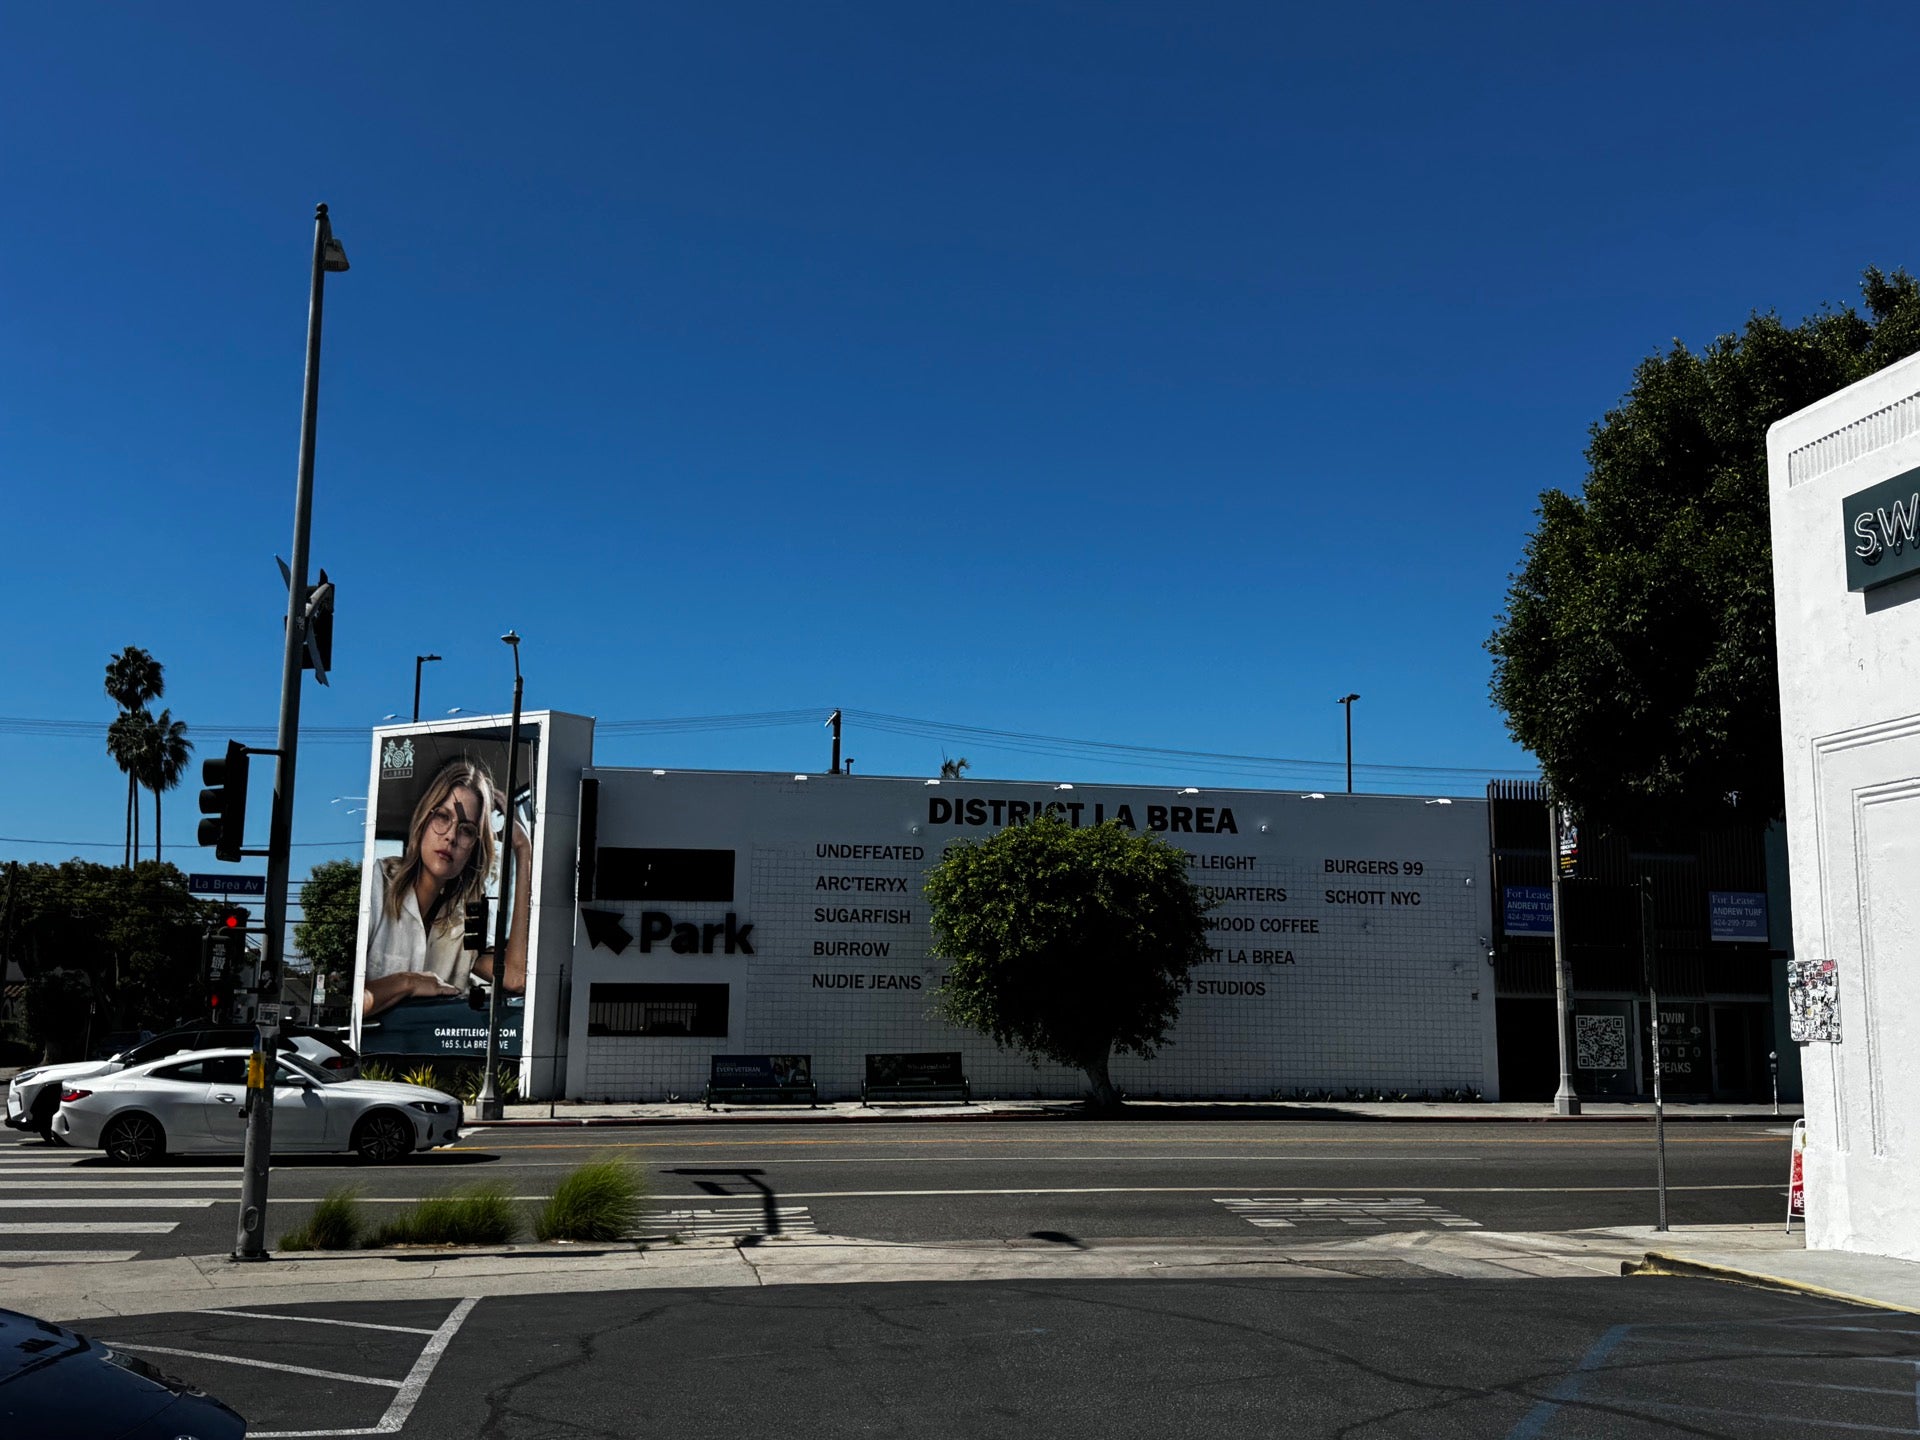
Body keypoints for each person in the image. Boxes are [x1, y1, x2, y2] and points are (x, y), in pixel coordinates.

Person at [362, 756, 532, 1020]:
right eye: (442, 817)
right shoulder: (376, 884)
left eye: (466, 830)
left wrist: (524, 851)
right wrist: (408, 982)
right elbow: (345, 1003)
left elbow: (516, 978)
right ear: (423, 821)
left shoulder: (464, 923)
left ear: (474, 848)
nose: (451, 836)